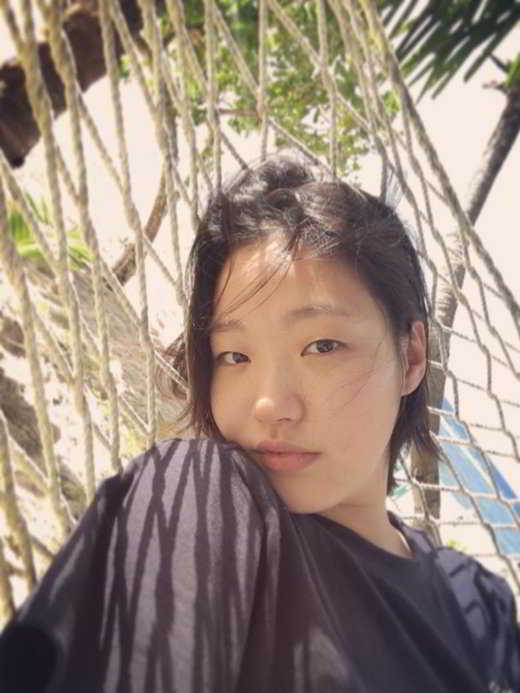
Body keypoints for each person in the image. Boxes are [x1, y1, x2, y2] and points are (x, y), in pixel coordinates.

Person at [0, 155, 518, 693]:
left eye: (322, 345)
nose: (269, 404)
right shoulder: (198, 497)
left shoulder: (480, 600)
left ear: (410, 356)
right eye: (234, 356)